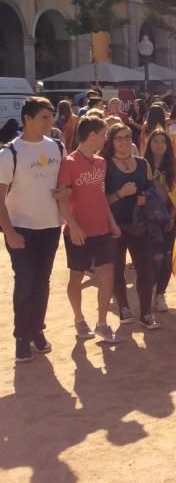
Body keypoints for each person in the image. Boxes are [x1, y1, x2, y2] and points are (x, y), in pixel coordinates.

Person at [0, 97, 66, 361]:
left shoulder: (58, 147)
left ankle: (38, 331)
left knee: (42, 283)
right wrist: (9, 232)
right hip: (21, 229)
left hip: (50, 227)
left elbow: (65, 184)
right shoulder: (9, 154)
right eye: (44, 118)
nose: (50, 122)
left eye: (51, 117)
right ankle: (21, 337)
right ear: (28, 119)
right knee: (25, 283)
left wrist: (66, 193)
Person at [57, 115, 122, 344]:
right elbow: (62, 199)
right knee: (76, 277)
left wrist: (111, 221)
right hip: (78, 232)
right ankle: (79, 318)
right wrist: (73, 226)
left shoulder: (101, 162)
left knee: (107, 276)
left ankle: (102, 323)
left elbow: (100, 195)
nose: (106, 139)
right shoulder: (69, 162)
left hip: (102, 230)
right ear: (92, 135)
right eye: (104, 134)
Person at [103, 123, 159, 329]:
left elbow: (153, 191)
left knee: (145, 269)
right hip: (114, 226)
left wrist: (146, 197)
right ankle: (124, 307)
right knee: (116, 269)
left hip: (139, 225)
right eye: (119, 138)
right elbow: (99, 200)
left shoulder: (143, 164)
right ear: (111, 141)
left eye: (128, 137)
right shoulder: (104, 165)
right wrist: (120, 194)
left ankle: (146, 312)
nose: (125, 141)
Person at [142, 130, 176, 314]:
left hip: (168, 217)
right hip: (149, 218)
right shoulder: (142, 166)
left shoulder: (174, 168)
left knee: (166, 256)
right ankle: (150, 290)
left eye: (163, 142)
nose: (159, 145)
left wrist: (173, 214)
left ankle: (160, 294)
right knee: (153, 256)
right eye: (155, 141)